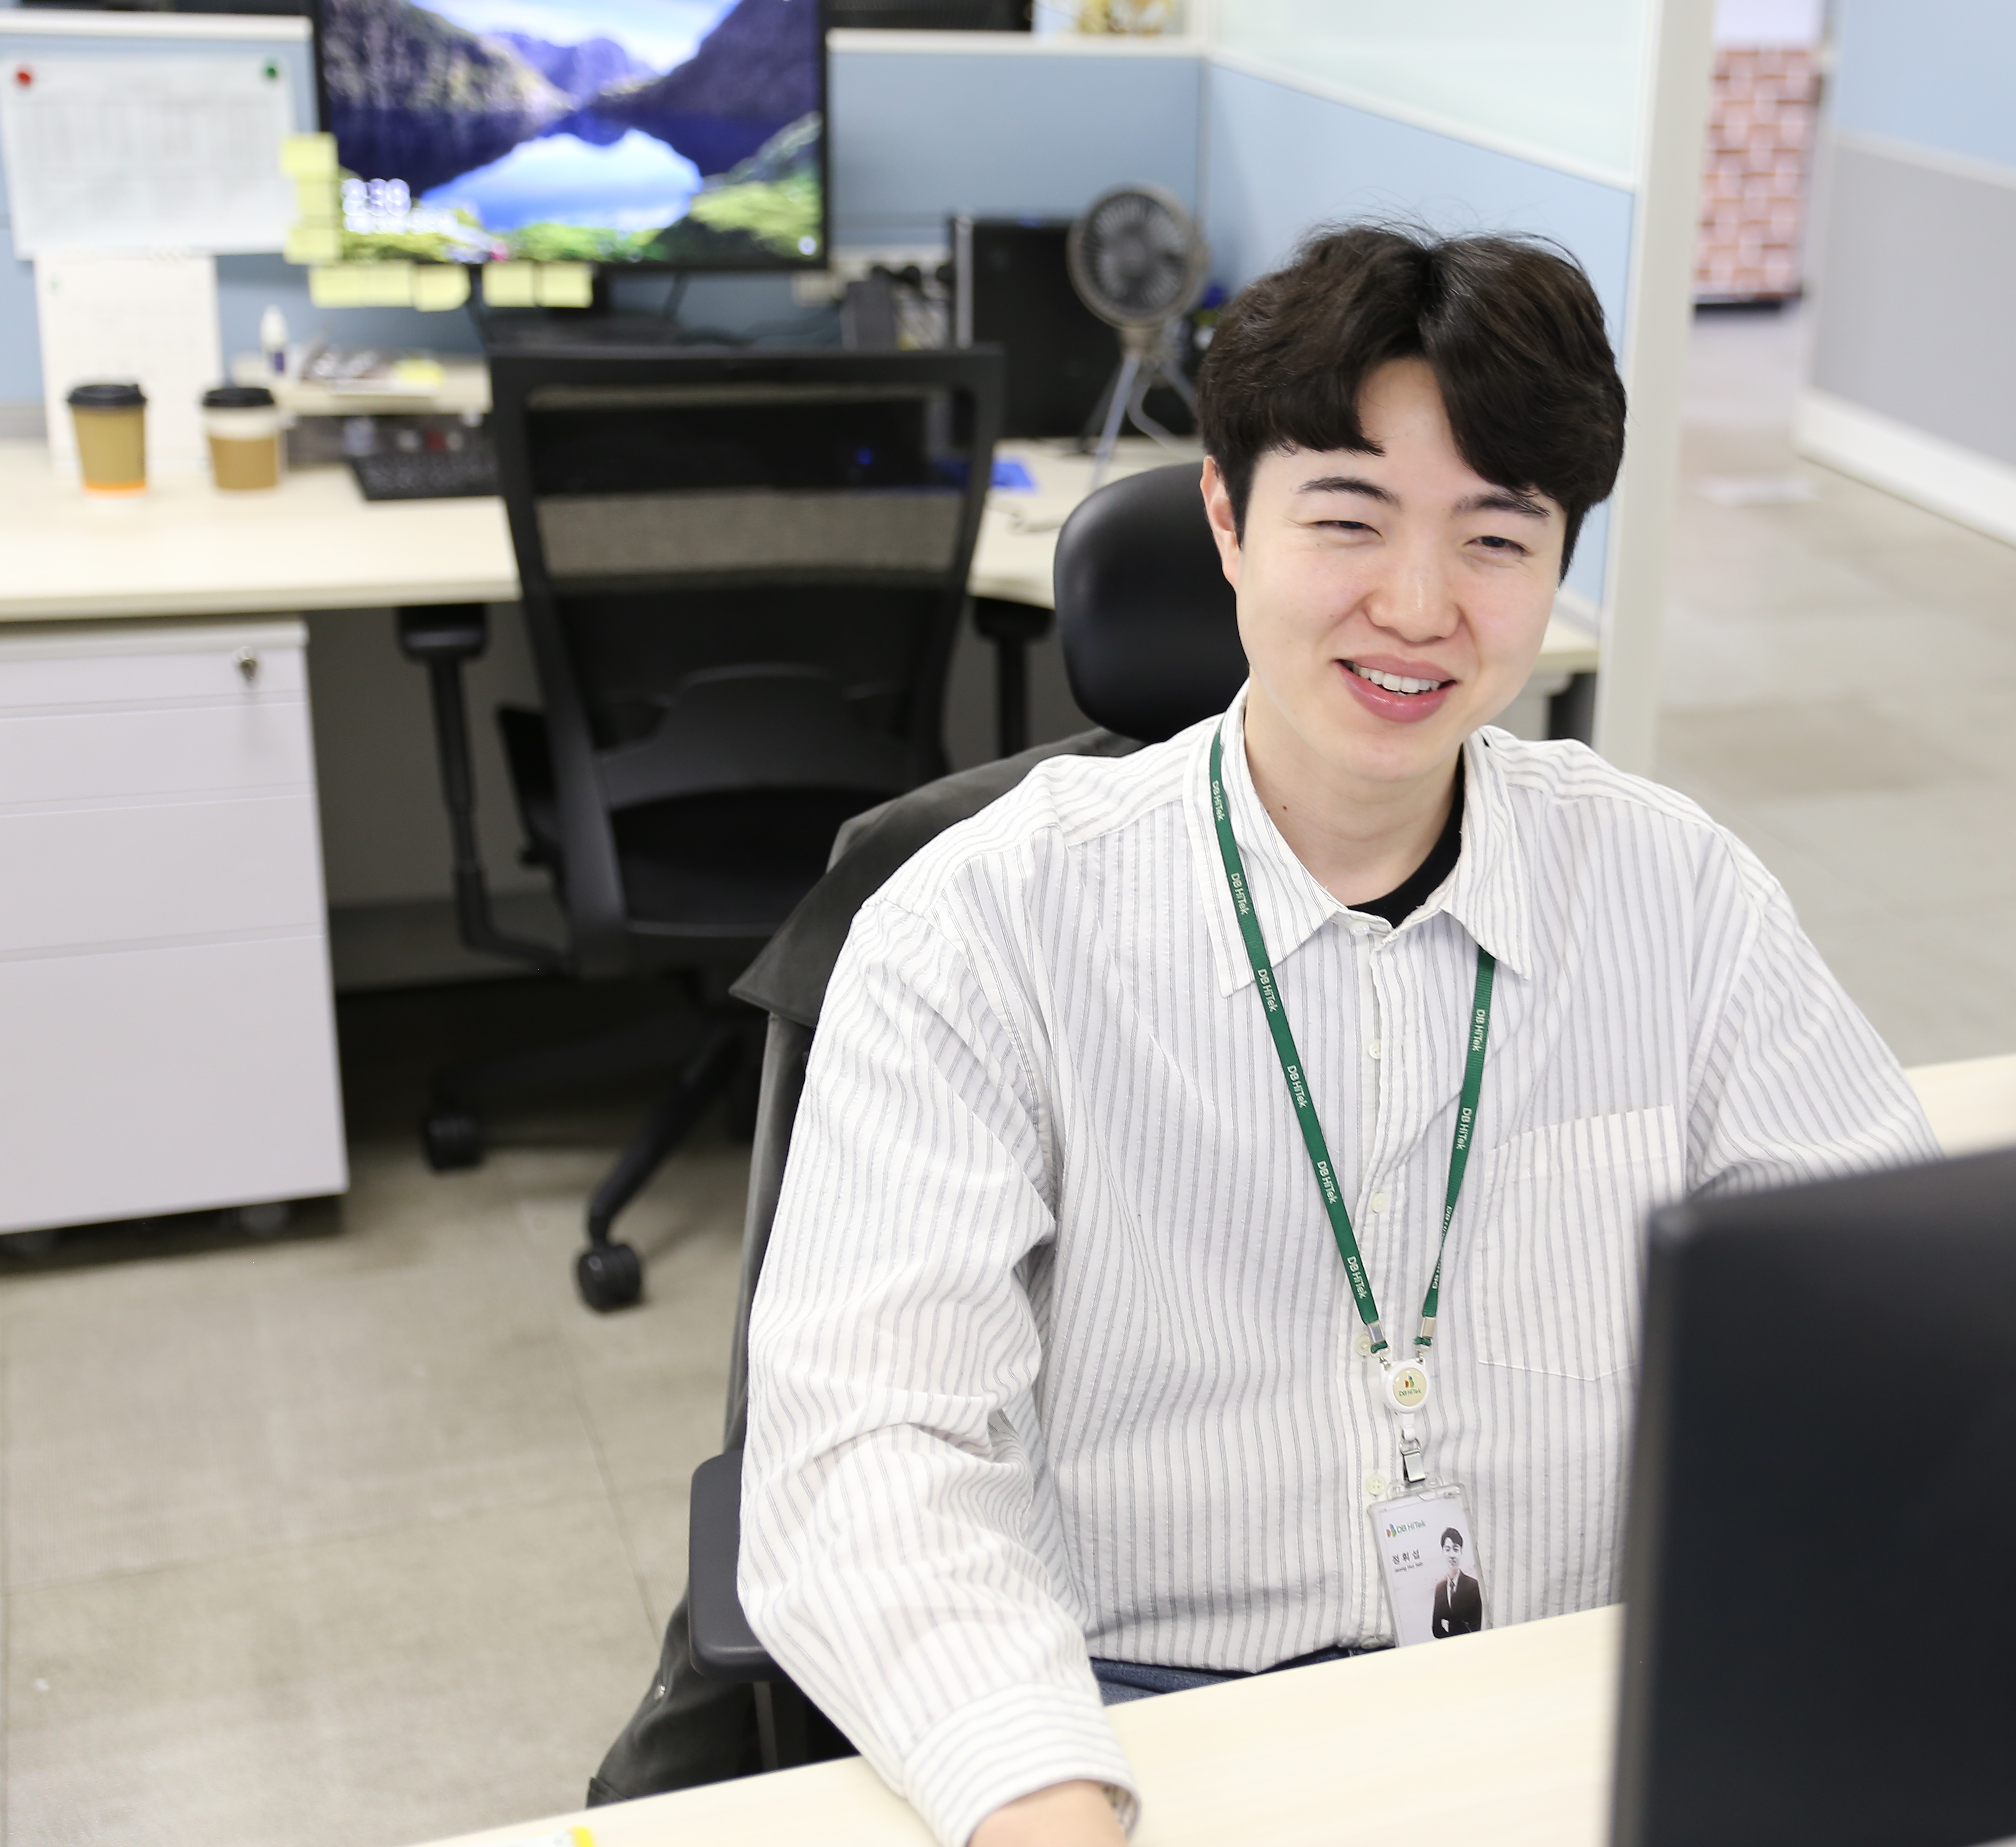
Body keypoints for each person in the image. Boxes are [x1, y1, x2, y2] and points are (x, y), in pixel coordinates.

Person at [739, 223, 1938, 1847]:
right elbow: (869, 1443)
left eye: (1497, 537)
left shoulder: (1674, 889)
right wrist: (1038, 1791)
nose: (1421, 606)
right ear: (1228, 522)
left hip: (1570, 1703)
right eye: (1351, 519)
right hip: (1147, 1724)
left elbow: (1880, 1310)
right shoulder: (986, 925)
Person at [1431, 1528, 1483, 1639]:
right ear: (1443, 1552)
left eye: (1456, 1549)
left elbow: (1475, 1627)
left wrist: (1450, 1624)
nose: (1452, 1555)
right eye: (1448, 1549)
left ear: (1461, 1552)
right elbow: (1436, 1629)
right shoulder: (1440, 1589)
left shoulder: (1473, 1586)